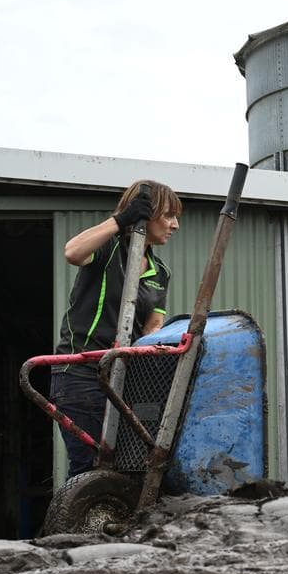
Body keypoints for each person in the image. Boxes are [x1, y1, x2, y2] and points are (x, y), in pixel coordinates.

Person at [50, 180, 182, 477]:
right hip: (82, 374)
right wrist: (120, 221)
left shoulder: (160, 272)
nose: (175, 225)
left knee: (127, 467)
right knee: (89, 469)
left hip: (124, 377)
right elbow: (72, 252)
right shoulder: (108, 248)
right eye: (168, 215)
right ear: (146, 213)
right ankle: (80, 523)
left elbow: (153, 327)